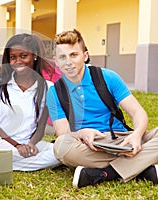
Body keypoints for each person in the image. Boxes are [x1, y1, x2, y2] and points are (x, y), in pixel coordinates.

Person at [46, 29, 158, 188]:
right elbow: (62, 132)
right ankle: (141, 167)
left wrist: (137, 135)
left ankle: (105, 174)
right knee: (61, 146)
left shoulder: (107, 77)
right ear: (56, 61)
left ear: (85, 56)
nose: (68, 62)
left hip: (121, 138)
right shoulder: (54, 92)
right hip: (90, 146)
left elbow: (138, 112)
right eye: (62, 57)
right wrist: (82, 133)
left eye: (73, 55)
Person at [0, 33, 60, 171]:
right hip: (3, 143)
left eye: (23, 56)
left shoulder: (47, 87)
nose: (18, 61)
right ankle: (27, 164)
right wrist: (17, 146)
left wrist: (30, 145)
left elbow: (40, 129)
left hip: (30, 145)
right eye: (13, 57)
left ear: (34, 56)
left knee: (58, 152)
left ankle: (3, 163)